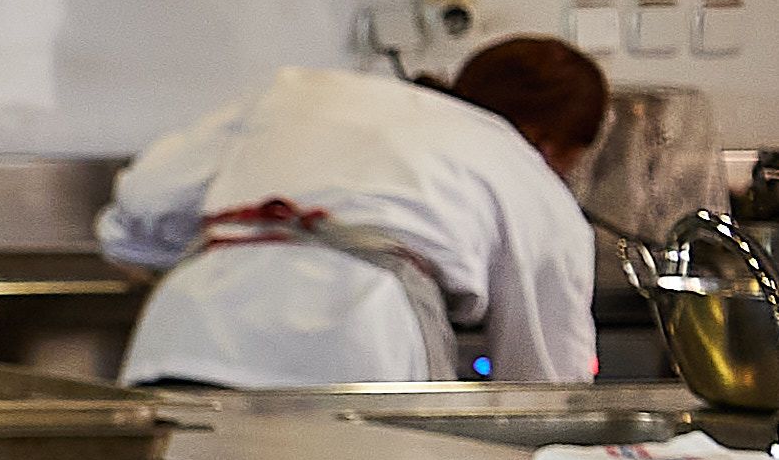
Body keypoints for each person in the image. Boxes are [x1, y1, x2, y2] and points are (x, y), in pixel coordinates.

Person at [104, 40, 610, 388]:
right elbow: (546, 381)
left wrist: (247, 249)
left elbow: (138, 207)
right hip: (360, 341)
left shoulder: (301, 92)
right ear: (549, 145)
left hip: (189, 327)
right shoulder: (522, 167)